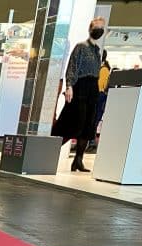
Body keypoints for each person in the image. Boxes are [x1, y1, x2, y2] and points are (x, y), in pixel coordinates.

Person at [52, 17, 106, 172]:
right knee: (74, 123)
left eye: (102, 27)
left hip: (92, 89)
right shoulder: (81, 47)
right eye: (97, 26)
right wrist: (69, 86)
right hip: (80, 86)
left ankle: (78, 160)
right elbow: (73, 66)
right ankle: (49, 151)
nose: (99, 30)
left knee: (88, 126)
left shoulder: (97, 51)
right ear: (90, 28)